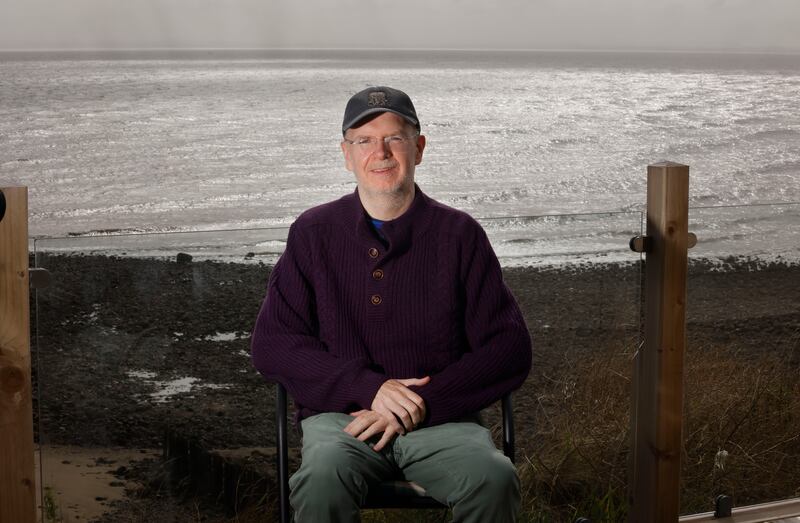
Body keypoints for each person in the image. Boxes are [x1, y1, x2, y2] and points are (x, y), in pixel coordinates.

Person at [251, 85, 532, 522]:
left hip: (444, 419)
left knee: (493, 478)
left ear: (418, 148)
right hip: (342, 421)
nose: (379, 152)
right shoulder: (312, 233)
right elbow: (273, 345)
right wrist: (369, 389)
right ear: (347, 154)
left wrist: (419, 404)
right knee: (322, 480)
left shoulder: (460, 235)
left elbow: (509, 348)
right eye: (363, 140)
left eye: (394, 138)